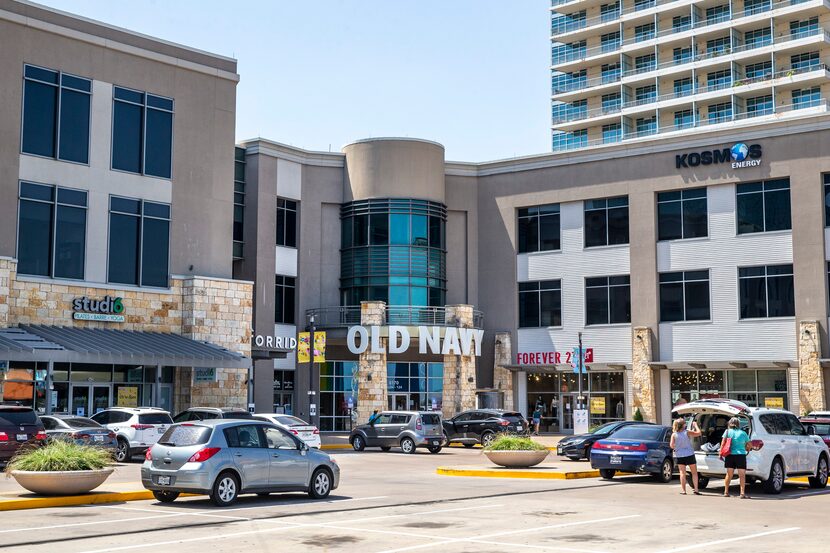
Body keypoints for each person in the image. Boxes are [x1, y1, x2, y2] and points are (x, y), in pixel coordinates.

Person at [722, 416, 753, 499]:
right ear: (738, 424)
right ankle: (742, 493)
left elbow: (723, 443)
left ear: (730, 423)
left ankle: (726, 492)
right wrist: (747, 448)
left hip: (729, 455)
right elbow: (750, 445)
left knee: (729, 474)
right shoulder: (743, 433)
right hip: (740, 455)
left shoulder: (727, 431)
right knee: (742, 475)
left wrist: (720, 453)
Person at [670, 418, 702, 495]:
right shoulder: (687, 432)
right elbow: (699, 433)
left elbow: (671, 445)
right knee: (694, 473)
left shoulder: (674, 434)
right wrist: (695, 425)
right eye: (685, 423)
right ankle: (696, 490)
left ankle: (684, 491)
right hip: (689, 454)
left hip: (680, 455)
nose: (686, 424)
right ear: (683, 425)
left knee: (682, 473)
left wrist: (677, 447)